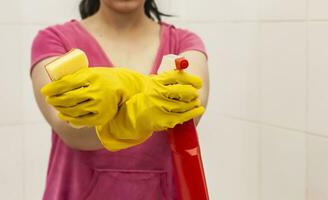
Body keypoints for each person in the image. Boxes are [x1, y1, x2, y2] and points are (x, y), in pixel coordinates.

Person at [30, 0, 209, 199]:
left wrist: (127, 85)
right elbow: (68, 128)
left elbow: (191, 107)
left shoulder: (184, 43)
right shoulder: (54, 40)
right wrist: (148, 100)